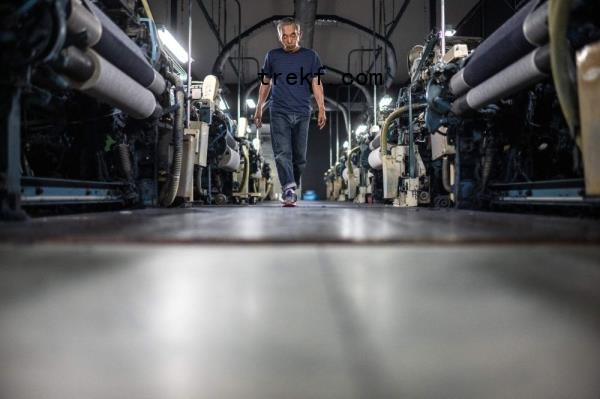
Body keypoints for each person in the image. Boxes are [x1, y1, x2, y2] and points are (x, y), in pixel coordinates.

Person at [254, 17, 326, 207]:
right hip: (279, 111)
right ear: (280, 37)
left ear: (299, 34)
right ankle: (288, 188)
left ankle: (291, 184)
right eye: (284, 36)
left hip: (303, 112)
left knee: (300, 157)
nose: (289, 39)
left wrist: (321, 108)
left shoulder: (311, 56)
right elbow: (265, 83)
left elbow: (316, 83)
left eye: (292, 35)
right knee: (282, 153)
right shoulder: (272, 56)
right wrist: (259, 107)